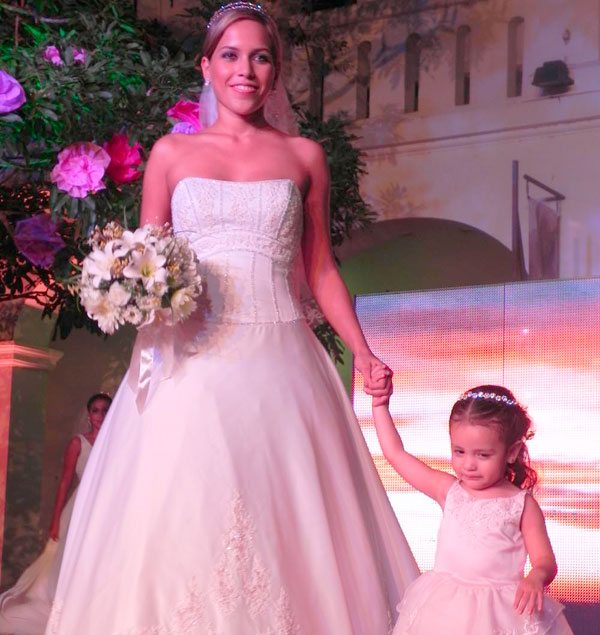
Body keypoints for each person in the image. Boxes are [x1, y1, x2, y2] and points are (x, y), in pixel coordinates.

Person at [45, 3, 419, 634]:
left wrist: (363, 349)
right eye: (230, 55)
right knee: (183, 511)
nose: (245, 69)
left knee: (286, 517)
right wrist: (134, 293)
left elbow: (320, 268)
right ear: (206, 66)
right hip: (190, 364)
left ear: (275, 72)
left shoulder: (304, 156)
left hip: (280, 362)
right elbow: (146, 257)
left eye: (260, 57)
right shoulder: (171, 154)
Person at [371, 381, 574, 634]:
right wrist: (380, 405)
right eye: (459, 451)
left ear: (511, 452)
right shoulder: (448, 490)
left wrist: (536, 577)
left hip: (502, 615)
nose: (469, 464)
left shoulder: (522, 505)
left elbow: (545, 560)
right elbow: (396, 454)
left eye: (482, 455)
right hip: (444, 612)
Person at [0, 393, 112, 635]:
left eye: (105, 410)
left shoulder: (116, 440)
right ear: (89, 415)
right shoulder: (78, 443)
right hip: (81, 507)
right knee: (74, 554)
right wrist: (55, 520)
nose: (100, 415)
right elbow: (64, 481)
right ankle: (70, 602)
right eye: (95, 410)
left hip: (109, 505)